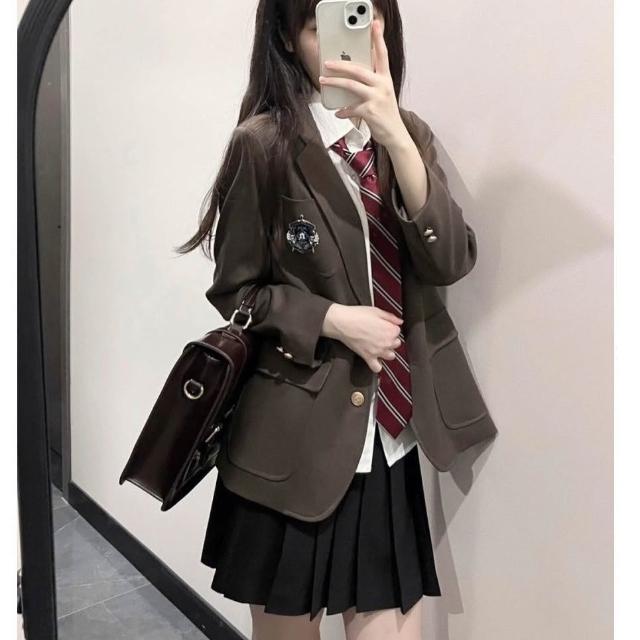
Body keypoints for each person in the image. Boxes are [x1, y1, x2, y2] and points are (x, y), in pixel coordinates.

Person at [175, 1, 497, 638]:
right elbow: (237, 291)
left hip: (390, 448)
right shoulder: (263, 146)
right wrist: (332, 320)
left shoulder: (410, 137)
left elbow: (451, 260)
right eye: (319, 22)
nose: (350, 37)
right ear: (288, 39)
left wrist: (396, 137)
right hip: (290, 453)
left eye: (364, 12)